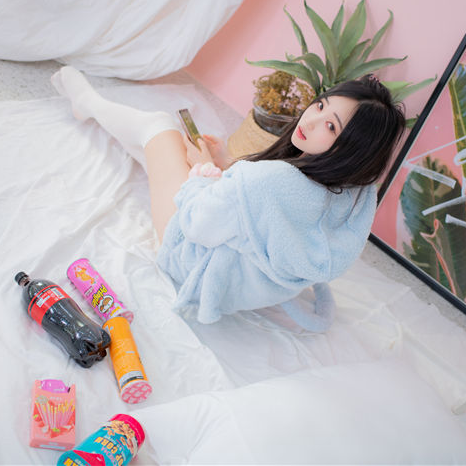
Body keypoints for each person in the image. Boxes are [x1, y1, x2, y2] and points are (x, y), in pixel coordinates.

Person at [51, 67, 405, 331]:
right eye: (321, 106)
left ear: (352, 149)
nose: (311, 120)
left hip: (191, 262)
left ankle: (88, 104)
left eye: (331, 126)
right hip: (249, 286)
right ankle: (149, 145)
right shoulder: (355, 195)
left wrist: (204, 172)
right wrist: (226, 169)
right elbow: (270, 214)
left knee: (158, 126)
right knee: (166, 152)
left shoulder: (267, 181)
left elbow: (196, 223)